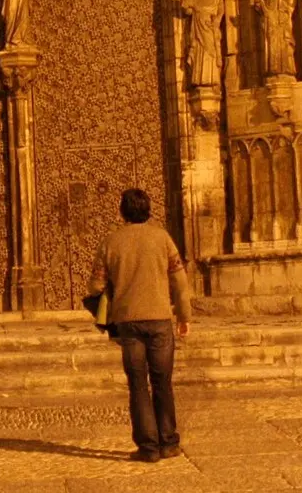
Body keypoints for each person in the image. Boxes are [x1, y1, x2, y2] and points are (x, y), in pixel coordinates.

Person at [88, 188, 191, 462]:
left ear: (123, 212)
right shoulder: (163, 238)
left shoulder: (111, 242)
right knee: (162, 382)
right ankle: (168, 442)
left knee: (137, 384)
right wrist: (184, 317)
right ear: (149, 210)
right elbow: (180, 283)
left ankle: (148, 447)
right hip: (159, 320)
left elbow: (96, 285)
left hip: (128, 323)